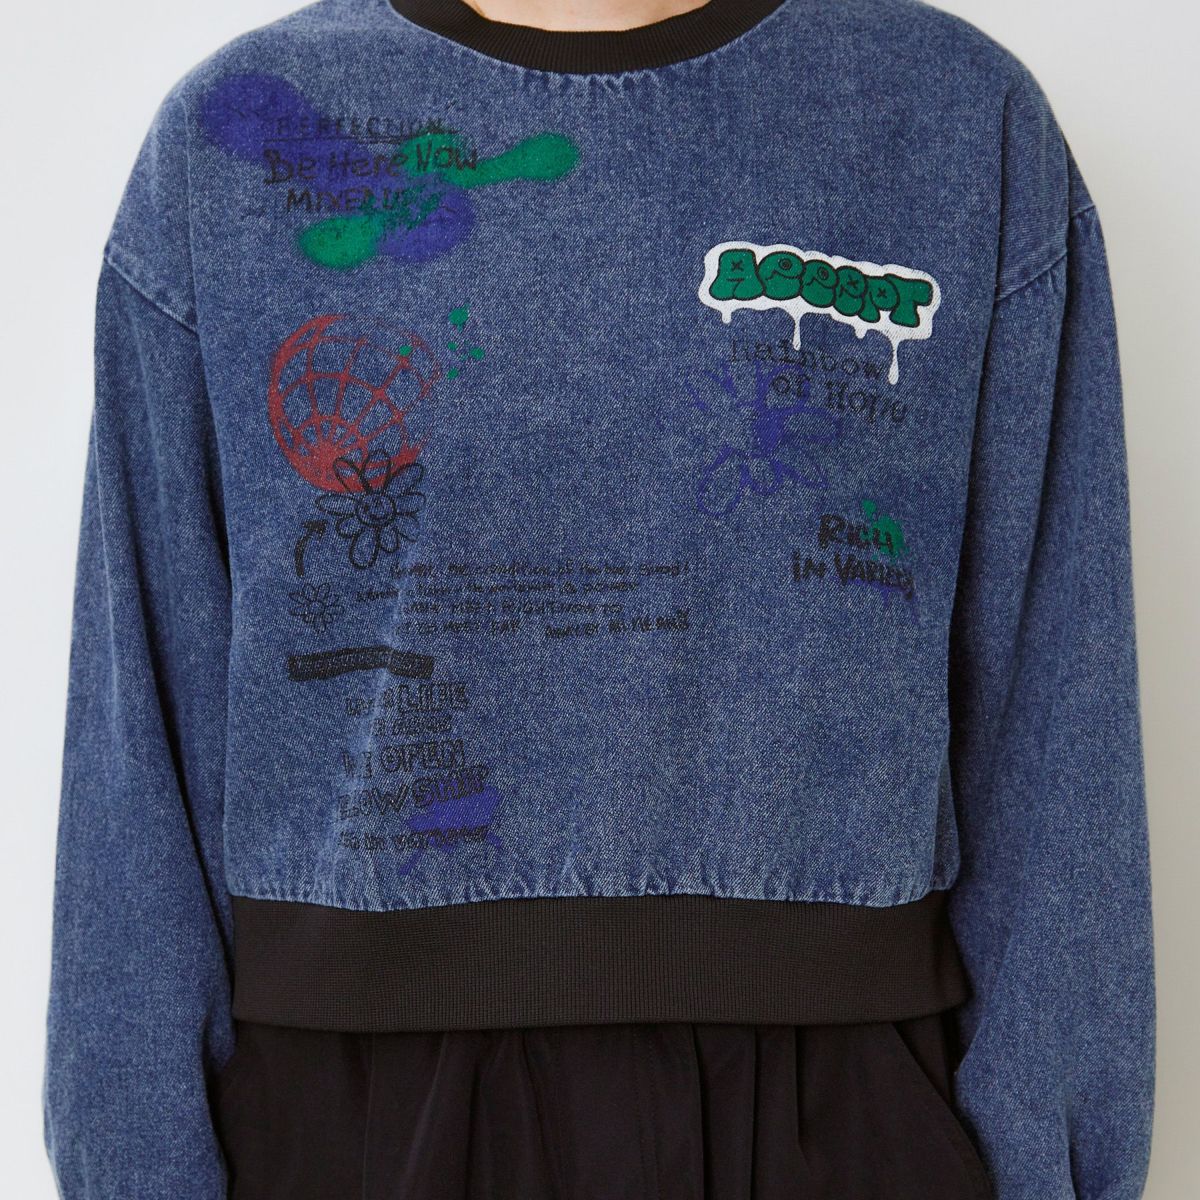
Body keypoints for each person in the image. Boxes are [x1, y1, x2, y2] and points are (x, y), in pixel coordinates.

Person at [42, 1, 1156, 1197]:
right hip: (358, 1120)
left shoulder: (955, 122)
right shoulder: (232, 146)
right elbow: (137, 746)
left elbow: (1059, 722)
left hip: (843, 1109)